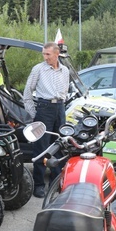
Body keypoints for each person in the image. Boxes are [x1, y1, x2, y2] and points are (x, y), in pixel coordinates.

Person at [23, 42, 70, 198]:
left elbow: (65, 91)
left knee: (60, 145)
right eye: (44, 54)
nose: (45, 57)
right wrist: (33, 113)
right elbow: (28, 92)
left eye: (48, 54)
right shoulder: (38, 69)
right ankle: (39, 185)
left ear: (57, 54)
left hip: (60, 108)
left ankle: (56, 183)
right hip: (44, 108)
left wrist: (61, 109)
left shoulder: (65, 71)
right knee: (41, 147)